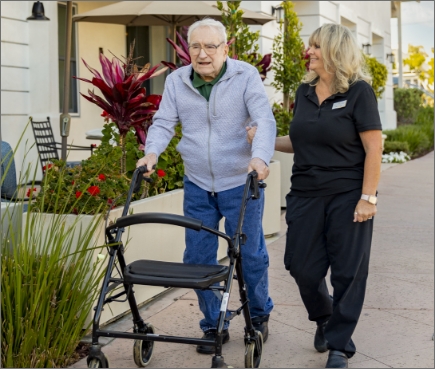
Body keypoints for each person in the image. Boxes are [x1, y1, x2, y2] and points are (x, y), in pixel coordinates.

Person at [136, 18, 276, 354]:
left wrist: (260, 159)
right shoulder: (177, 81)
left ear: (225, 48)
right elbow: (164, 122)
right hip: (198, 183)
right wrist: (151, 153)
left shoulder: (245, 76)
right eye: (195, 46)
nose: (202, 54)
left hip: (240, 181)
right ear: (188, 50)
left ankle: (259, 315)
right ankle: (214, 324)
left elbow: (264, 120)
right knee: (197, 260)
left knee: (250, 255)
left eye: (211, 46)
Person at [247, 23, 383, 368]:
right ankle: (324, 317)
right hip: (306, 193)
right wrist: (262, 141)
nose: (309, 51)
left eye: (316, 46)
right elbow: (303, 141)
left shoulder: (358, 92)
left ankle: (339, 345)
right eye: (310, 46)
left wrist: (368, 197)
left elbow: (374, 148)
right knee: (300, 265)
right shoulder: (305, 91)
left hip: (347, 193)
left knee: (347, 272)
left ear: (335, 51)